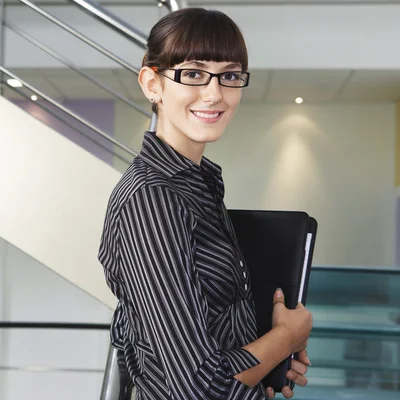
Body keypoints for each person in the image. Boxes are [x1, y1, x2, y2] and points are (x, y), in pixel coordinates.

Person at [98, 8, 312, 400]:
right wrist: (285, 337)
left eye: (229, 76)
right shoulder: (152, 200)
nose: (214, 94)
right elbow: (199, 386)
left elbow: (208, 342)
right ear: (152, 83)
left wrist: (266, 366)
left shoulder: (201, 186)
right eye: (193, 73)